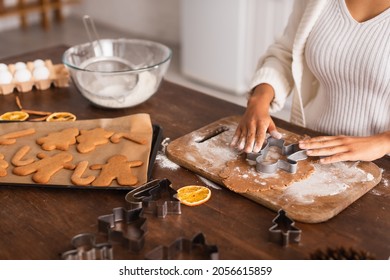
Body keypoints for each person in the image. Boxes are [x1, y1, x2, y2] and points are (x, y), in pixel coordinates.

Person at [230, 0, 390, 164]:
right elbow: (287, 54)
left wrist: (385, 141)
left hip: (380, 162)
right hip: (309, 143)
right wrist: (259, 99)